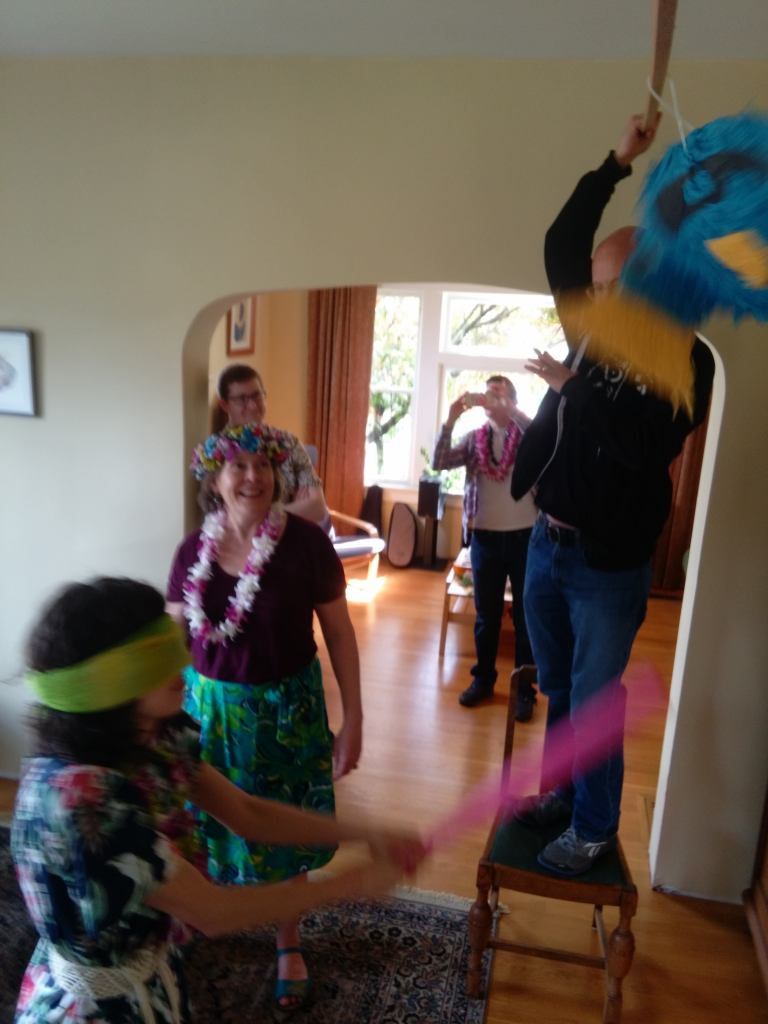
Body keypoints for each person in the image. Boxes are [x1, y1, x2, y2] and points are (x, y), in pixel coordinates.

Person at [11, 576, 424, 1024]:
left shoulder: (154, 737)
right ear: (106, 682)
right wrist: (352, 884)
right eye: (155, 655)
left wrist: (366, 832)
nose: (185, 659)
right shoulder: (83, 803)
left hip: (149, 971)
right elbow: (213, 911)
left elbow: (247, 813)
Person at [510, 115, 715, 876]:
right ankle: (564, 794)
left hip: (606, 566)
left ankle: (593, 828)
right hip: (547, 543)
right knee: (561, 689)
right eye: (595, 288)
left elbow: (643, 446)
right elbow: (560, 240)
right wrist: (616, 161)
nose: (597, 300)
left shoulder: (686, 360)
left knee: (594, 705)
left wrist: (574, 388)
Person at [165, 422, 363, 1008]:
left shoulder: (306, 545)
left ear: (276, 475)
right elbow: (172, 641)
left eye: (263, 466)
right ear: (214, 479)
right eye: (238, 466)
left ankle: (287, 940)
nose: (252, 477)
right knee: (204, 821)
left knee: (285, 829)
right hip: (207, 712)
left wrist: (354, 718)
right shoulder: (190, 551)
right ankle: (198, 915)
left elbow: (340, 635)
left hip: (286, 714)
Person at [432, 376, 538, 718]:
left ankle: (524, 691)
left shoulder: (528, 436)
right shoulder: (475, 439)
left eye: (500, 393)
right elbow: (439, 460)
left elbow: (547, 438)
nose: (492, 398)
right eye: (489, 392)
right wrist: (450, 419)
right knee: (486, 617)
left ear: (513, 401)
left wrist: (513, 412)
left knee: (526, 618)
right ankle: (483, 680)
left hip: (525, 538)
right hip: (485, 539)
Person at [215, 363, 329, 527]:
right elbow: (223, 517)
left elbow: (318, 508)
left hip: (293, 536)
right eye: (242, 399)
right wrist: (293, 508)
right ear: (225, 404)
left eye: (257, 396)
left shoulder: (289, 442)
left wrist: (253, 513)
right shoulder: (216, 452)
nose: (253, 405)